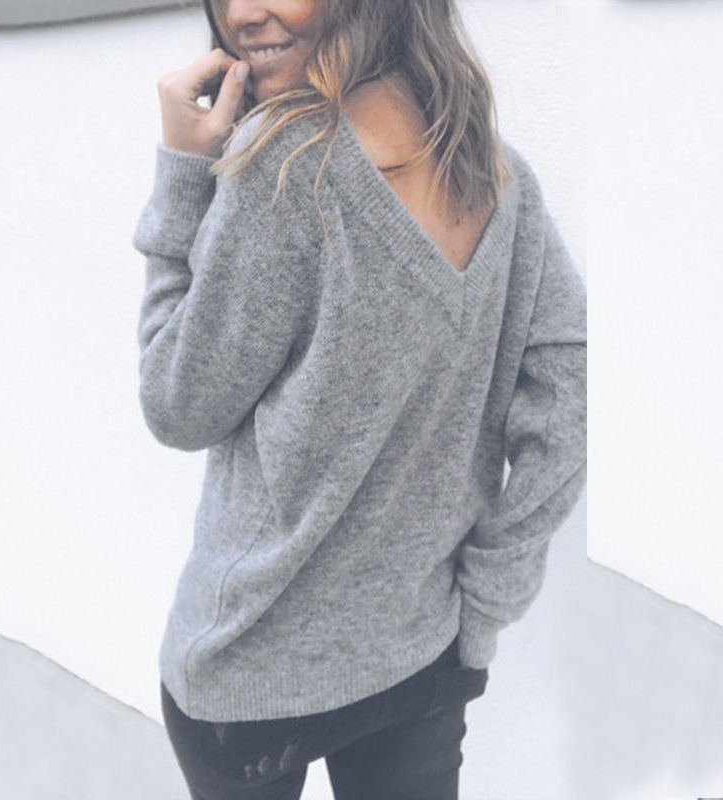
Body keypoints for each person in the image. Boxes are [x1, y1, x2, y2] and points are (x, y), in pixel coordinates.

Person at [132, 0, 587, 797]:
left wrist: (181, 169)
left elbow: (177, 406)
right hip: (421, 658)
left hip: (250, 673)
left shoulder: (286, 166)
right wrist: (482, 607)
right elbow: (571, 396)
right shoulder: (496, 173)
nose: (241, 13)